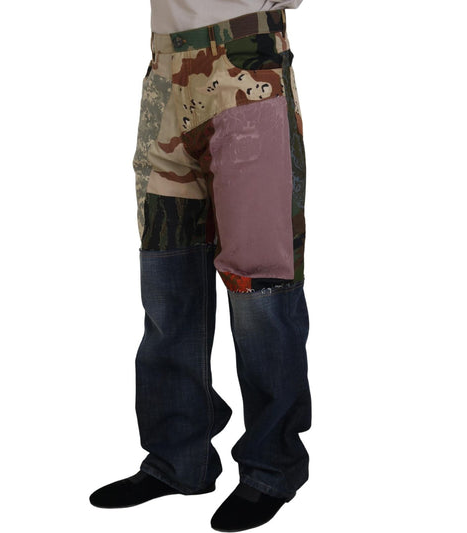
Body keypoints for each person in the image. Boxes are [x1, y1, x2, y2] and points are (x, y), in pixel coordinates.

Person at [90, 1, 311, 530]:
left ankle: (271, 468)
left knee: (260, 280)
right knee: (167, 276)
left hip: (246, 61)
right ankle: (177, 458)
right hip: (164, 71)